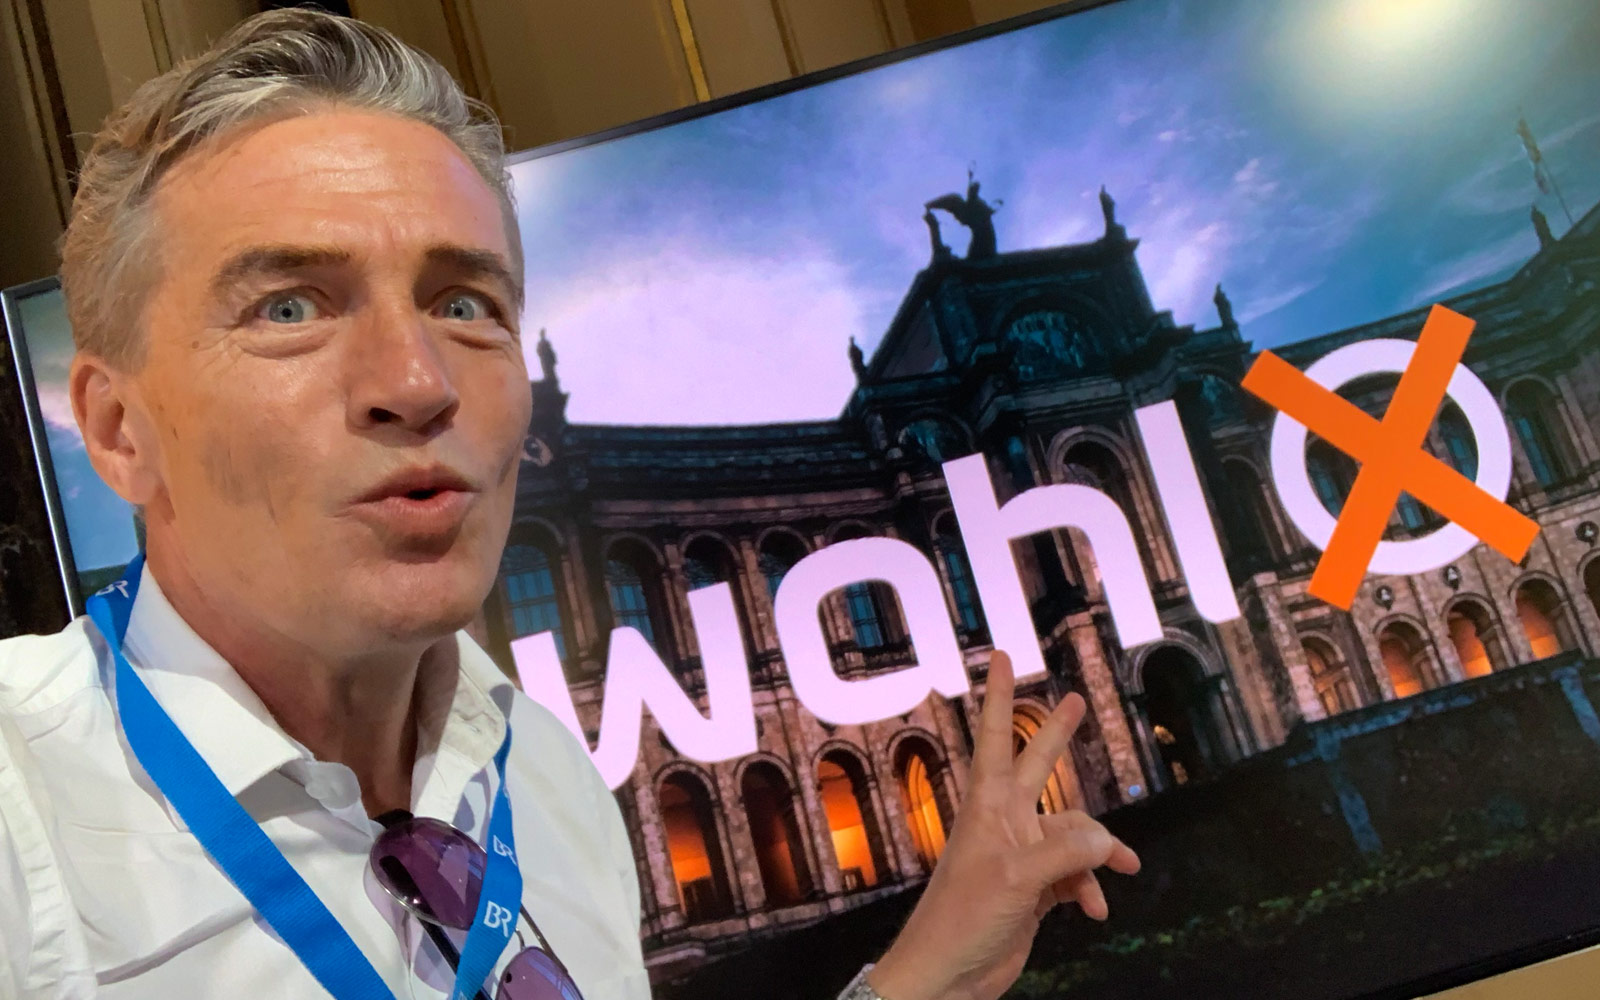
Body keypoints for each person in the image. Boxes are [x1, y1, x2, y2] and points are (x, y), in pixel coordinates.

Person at [0, 10, 1138, 999]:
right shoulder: (21, 821)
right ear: (117, 428)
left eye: (463, 302)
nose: (417, 380)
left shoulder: (543, 776)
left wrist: (921, 978)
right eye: (290, 307)